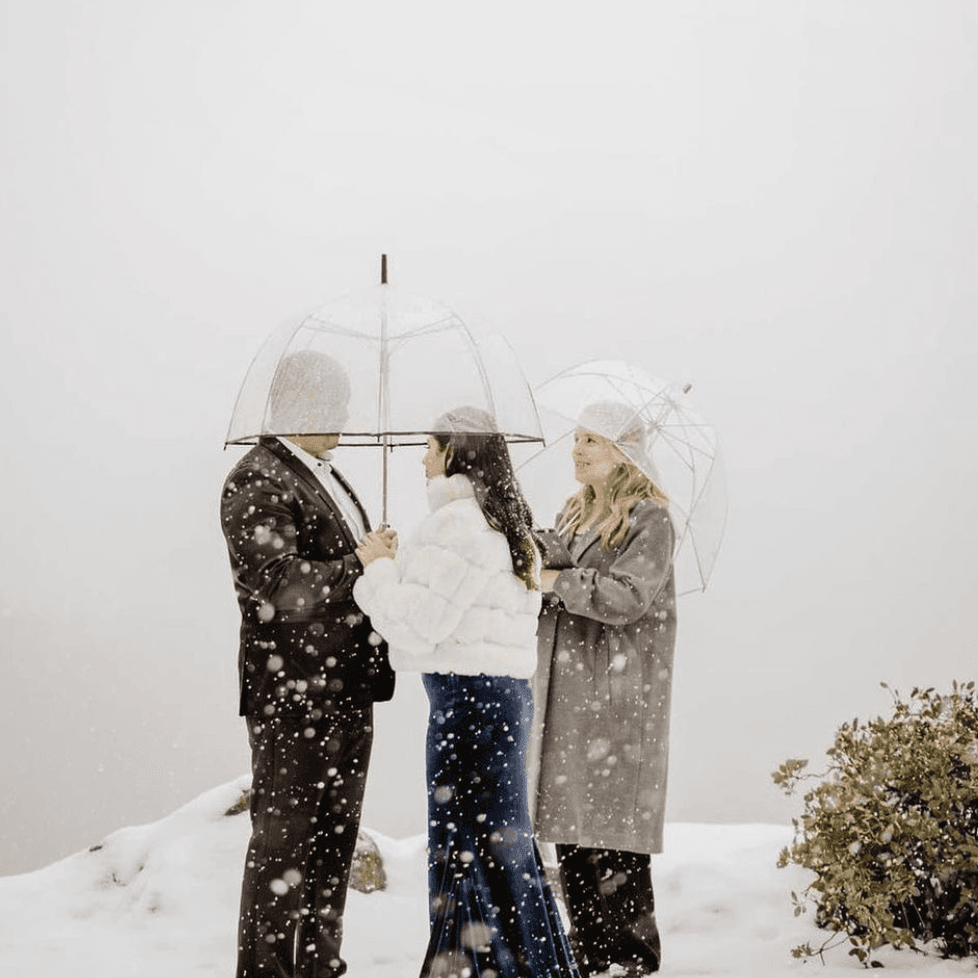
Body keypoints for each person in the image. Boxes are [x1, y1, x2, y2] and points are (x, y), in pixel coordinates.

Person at [352, 406, 580, 978]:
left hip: (465, 705)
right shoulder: (503, 522)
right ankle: (523, 965)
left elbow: (416, 626)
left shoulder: (458, 525)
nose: (422, 459)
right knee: (504, 846)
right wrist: (401, 564)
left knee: (464, 847)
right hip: (503, 700)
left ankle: (474, 967)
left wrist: (378, 570)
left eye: (430, 447)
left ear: (456, 453)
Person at [220, 349, 396, 978]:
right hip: (293, 697)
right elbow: (276, 584)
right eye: (336, 404)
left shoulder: (326, 474)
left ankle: (321, 967)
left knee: (333, 843)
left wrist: (376, 558)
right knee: (283, 850)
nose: (345, 416)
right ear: (300, 404)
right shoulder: (258, 477)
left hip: (345, 690)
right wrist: (361, 564)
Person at [530, 403, 677, 978]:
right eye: (577, 438)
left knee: (614, 834)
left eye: (592, 440)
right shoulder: (574, 512)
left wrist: (557, 579)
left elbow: (628, 597)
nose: (577, 449)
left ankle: (629, 959)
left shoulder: (650, 518)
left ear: (624, 451)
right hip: (569, 696)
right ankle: (588, 954)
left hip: (617, 699)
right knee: (572, 828)